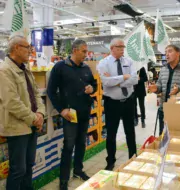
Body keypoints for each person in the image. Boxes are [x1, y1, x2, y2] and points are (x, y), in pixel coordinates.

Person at [47, 39, 97, 190]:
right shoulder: (60, 67)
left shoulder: (86, 68)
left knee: (81, 143)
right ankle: (63, 179)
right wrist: (62, 110)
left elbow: (93, 84)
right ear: (74, 50)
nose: (86, 54)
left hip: (84, 112)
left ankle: (78, 170)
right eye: (83, 51)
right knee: (68, 146)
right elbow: (51, 91)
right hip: (70, 114)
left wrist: (91, 89)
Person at [0, 35, 45, 190]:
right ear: (16, 48)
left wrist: (41, 113)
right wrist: (34, 118)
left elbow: (36, 94)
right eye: (28, 47)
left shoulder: (25, 70)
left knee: (29, 165)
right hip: (17, 127)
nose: (30, 51)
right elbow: (11, 102)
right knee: (18, 170)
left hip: (31, 125)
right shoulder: (4, 71)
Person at [97, 38, 138, 171]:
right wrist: (124, 77)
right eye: (119, 47)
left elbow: (135, 79)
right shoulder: (103, 63)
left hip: (128, 101)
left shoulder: (128, 61)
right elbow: (106, 82)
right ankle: (110, 161)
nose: (122, 49)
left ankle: (133, 157)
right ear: (112, 48)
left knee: (130, 132)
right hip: (112, 103)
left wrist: (117, 81)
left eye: (123, 47)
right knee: (111, 134)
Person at [148, 45, 180, 135]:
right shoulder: (163, 69)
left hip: (178, 110)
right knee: (162, 136)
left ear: (178, 53)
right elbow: (160, 85)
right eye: (165, 53)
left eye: (170, 51)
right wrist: (156, 88)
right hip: (163, 109)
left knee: (176, 136)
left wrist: (179, 90)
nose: (167, 55)